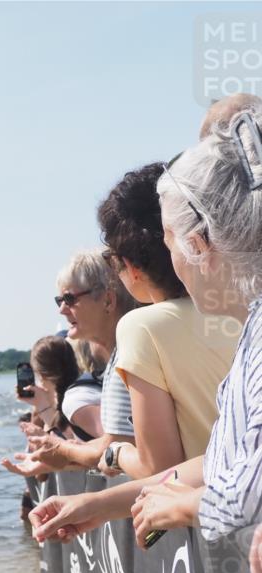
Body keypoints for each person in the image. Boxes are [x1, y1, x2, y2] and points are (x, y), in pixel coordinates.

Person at [29, 108, 262, 573]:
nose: (169, 257)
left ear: (201, 244)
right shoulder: (249, 329)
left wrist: (185, 507)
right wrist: (100, 503)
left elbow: (244, 497)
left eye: (172, 240)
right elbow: (221, 465)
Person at [96, 162, 237, 480]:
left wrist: (117, 452)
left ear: (130, 265)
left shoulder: (142, 327)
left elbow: (158, 468)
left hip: (208, 521)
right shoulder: (242, 309)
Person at [4, 251, 138, 477]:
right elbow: (120, 452)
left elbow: (118, 447)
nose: (61, 309)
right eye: (59, 300)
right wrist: (61, 457)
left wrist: (60, 449)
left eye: (69, 299)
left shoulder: (130, 355)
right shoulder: (121, 355)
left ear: (108, 300)